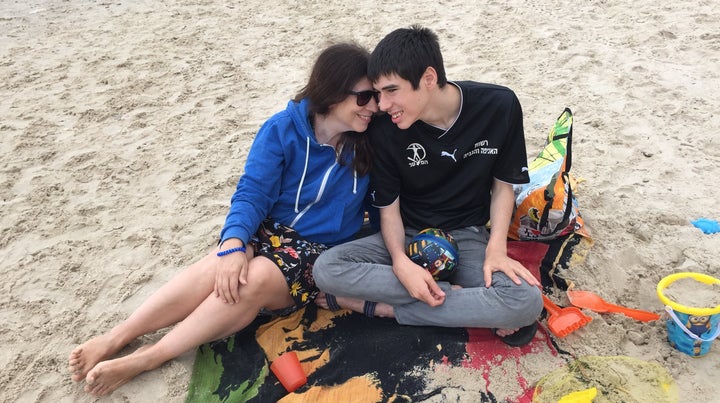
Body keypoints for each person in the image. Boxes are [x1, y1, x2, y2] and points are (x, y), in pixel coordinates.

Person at [67, 42, 379, 396]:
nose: (374, 107)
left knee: (254, 278)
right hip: (270, 231)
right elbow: (252, 193)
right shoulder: (281, 130)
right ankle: (117, 336)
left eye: (377, 98)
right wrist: (234, 242)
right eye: (365, 97)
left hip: (318, 251)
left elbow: (391, 198)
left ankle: (150, 356)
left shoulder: (370, 141)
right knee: (218, 265)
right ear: (334, 92)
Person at [313, 26, 543, 346]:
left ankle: (384, 309)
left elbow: (503, 187)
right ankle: (453, 300)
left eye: (391, 91)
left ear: (429, 78)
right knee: (326, 269)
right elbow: (389, 210)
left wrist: (496, 250)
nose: (382, 104)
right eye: (378, 93)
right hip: (408, 233)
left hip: (467, 235)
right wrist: (400, 262)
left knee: (525, 302)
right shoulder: (385, 129)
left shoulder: (498, 105)